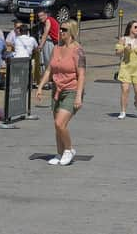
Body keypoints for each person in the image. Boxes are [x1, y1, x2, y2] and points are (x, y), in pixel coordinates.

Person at [36, 20, 86, 166]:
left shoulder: (78, 50)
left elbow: (82, 75)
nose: (61, 32)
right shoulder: (56, 48)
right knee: (57, 124)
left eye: (64, 30)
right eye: (60, 29)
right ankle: (60, 152)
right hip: (57, 90)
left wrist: (78, 96)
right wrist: (40, 87)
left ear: (71, 32)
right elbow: (49, 70)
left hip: (71, 90)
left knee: (60, 123)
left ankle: (69, 150)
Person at [37, 9, 59, 88]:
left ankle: (49, 81)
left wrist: (40, 46)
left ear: (46, 15)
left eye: (42, 16)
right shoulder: (51, 20)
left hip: (53, 43)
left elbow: (45, 34)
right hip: (56, 42)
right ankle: (50, 80)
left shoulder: (48, 21)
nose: (40, 18)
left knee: (48, 61)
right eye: (39, 16)